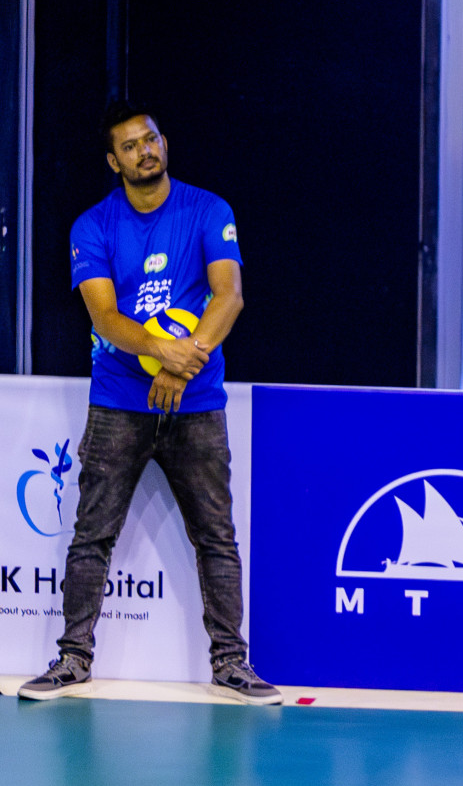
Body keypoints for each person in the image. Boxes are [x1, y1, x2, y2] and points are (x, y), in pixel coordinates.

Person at [18, 100, 280, 706]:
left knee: (216, 535)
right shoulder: (93, 226)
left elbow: (229, 295)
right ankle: (72, 659)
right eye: (131, 146)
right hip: (118, 403)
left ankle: (232, 664)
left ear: (165, 144)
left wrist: (180, 367)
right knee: (91, 537)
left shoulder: (208, 210)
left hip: (196, 403)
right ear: (115, 162)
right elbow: (105, 317)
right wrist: (167, 355)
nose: (145, 150)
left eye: (152, 139)